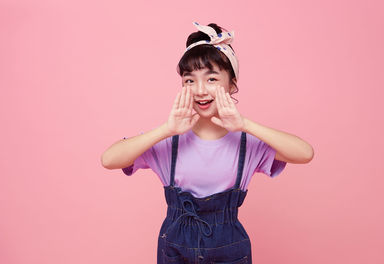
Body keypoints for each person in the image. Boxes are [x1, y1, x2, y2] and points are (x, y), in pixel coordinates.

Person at [101, 21, 314, 264]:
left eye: (211, 79)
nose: (200, 90)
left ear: (232, 84)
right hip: (175, 249)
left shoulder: (247, 143)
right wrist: (167, 129)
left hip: (229, 250)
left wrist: (244, 124)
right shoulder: (169, 142)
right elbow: (109, 159)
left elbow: (305, 153)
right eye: (189, 81)